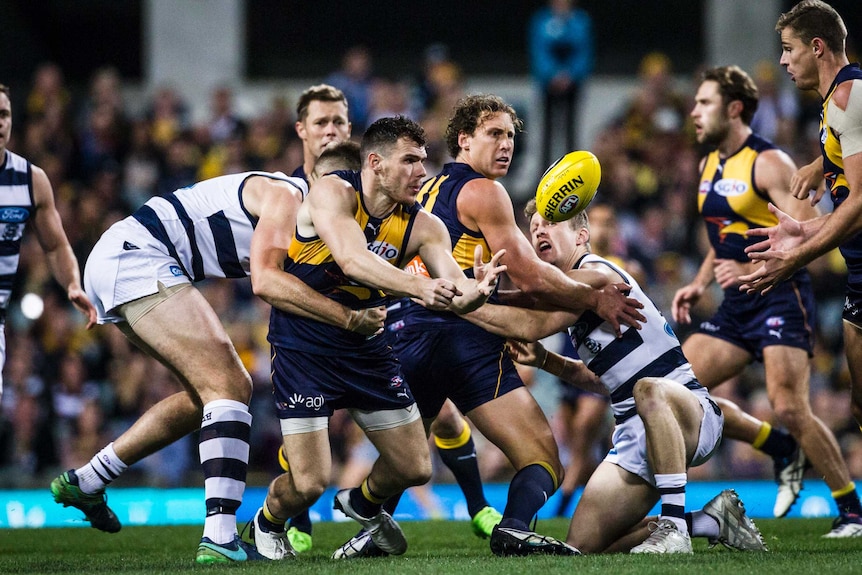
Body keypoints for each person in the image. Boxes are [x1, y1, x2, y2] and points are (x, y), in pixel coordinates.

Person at [334, 94, 644, 559]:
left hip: (405, 332)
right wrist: (593, 296)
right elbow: (531, 275)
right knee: (541, 457)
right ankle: (514, 527)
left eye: (511, 136)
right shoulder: (484, 191)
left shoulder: (429, 187)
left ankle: (366, 520)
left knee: (408, 457)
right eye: (494, 134)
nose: (506, 145)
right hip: (461, 334)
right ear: (464, 140)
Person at [49, 165, 388, 563]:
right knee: (230, 386)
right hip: (140, 257)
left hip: (126, 257)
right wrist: (348, 319)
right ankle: (220, 536)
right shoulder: (289, 196)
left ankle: (88, 480)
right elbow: (266, 283)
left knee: (206, 397)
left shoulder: (301, 215)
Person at [250, 116, 506, 561]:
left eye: (422, 161)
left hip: (366, 347)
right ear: (375, 163)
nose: (420, 172)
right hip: (305, 346)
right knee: (309, 482)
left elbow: (454, 287)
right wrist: (420, 287)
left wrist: (475, 292)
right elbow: (352, 259)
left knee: (415, 466)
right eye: (409, 161)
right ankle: (265, 522)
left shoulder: (425, 226)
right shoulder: (333, 192)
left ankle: (362, 503)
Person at [466, 200, 767, 554]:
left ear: (581, 235)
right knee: (582, 548)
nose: (539, 232)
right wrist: (546, 360)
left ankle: (673, 527)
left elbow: (530, 321)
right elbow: (603, 381)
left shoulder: (597, 271)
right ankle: (709, 521)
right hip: (634, 432)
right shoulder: (571, 296)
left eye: (550, 223)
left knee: (647, 389)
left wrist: (464, 303)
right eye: (534, 229)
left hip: (689, 413)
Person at [672, 64, 862, 531]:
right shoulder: (707, 164)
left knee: (789, 405)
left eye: (704, 103)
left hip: (781, 295)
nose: (694, 112)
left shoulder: (769, 162)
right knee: (674, 390)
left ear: (734, 109)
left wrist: (751, 268)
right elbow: (722, 236)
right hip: (737, 303)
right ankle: (778, 448)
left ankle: (851, 510)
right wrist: (701, 282)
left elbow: (802, 238)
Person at [738, 0, 862, 537]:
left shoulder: (851, 97)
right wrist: (803, 226)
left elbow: (860, 202)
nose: (784, 62)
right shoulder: (834, 103)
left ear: (817, 47)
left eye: (788, 50)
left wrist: (799, 254)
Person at [0, 84, 97, 404]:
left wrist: (72, 284)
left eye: (4, 115)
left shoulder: (31, 180)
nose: (0, 122)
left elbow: (55, 247)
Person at [528, 0, 594, 168]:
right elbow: (538, 51)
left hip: (572, 85)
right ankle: (543, 174)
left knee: (570, 131)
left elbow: (584, 51)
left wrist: (570, 74)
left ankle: (572, 172)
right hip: (548, 85)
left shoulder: (580, 21)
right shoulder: (541, 20)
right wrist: (552, 74)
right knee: (547, 133)